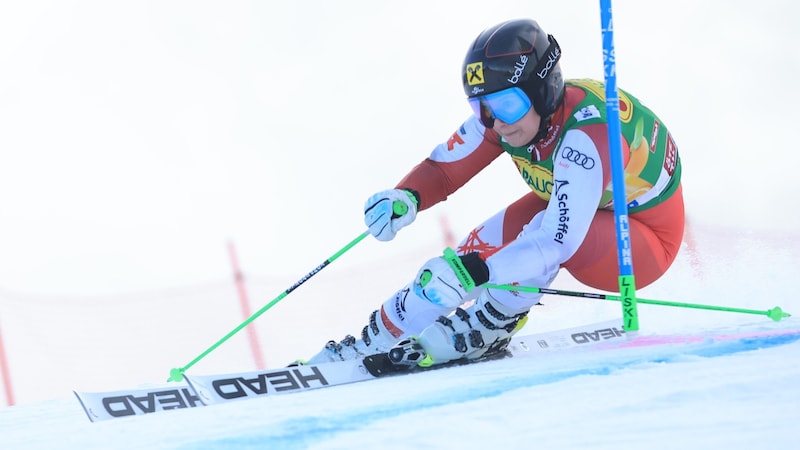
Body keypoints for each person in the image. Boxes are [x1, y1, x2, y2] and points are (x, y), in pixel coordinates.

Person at [303, 18, 684, 367]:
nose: (496, 121)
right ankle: (375, 341)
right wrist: (406, 197)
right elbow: (443, 170)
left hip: (638, 242)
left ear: (544, 89)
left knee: (517, 243)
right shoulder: (508, 120)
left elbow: (556, 242)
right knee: (469, 252)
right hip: (578, 208)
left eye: (505, 104)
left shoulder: (588, 134)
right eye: (480, 106)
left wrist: (477, 274)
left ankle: (490, 324)